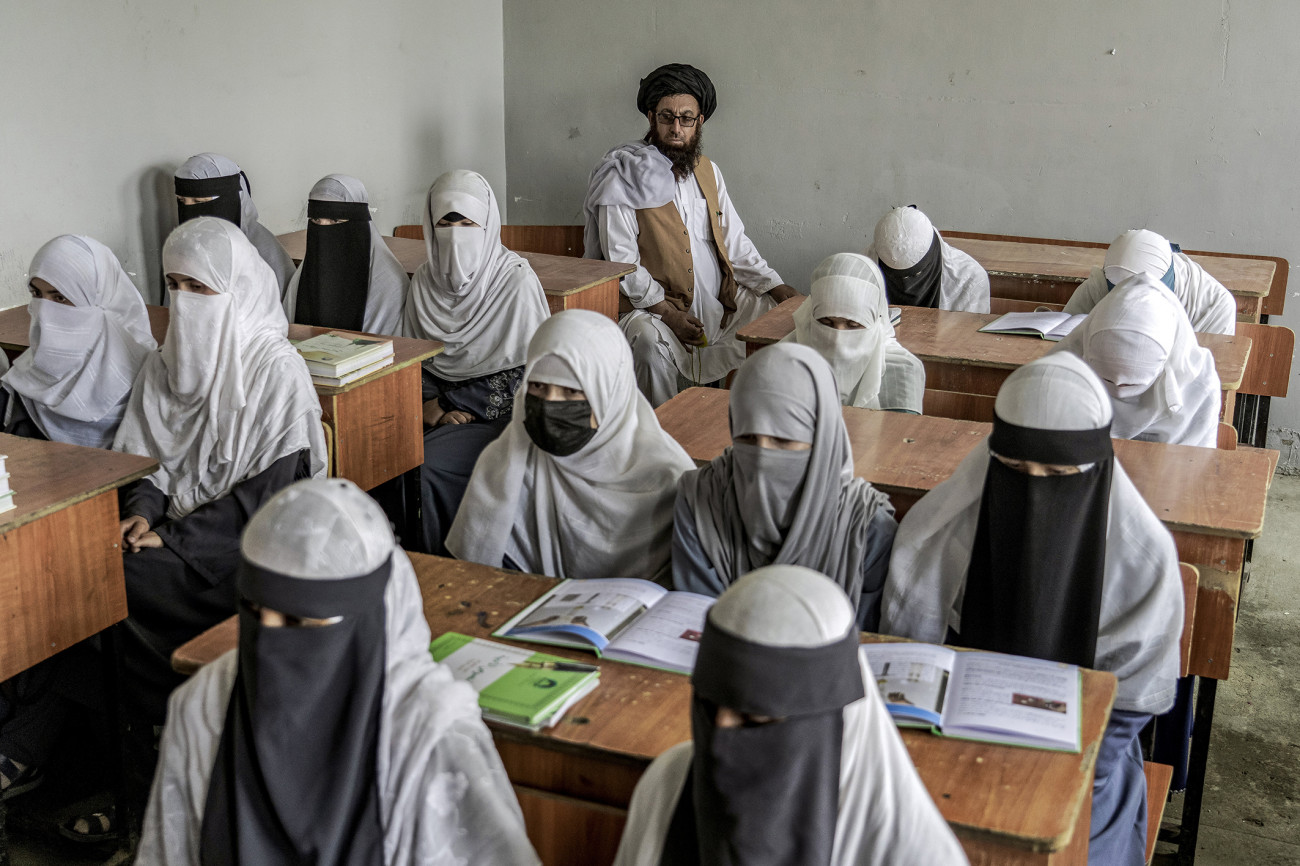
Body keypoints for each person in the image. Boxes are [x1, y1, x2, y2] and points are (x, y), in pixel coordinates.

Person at [0, 217, 327, 833]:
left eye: (200, 287)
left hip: (244, 553)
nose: (184, 301)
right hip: (171, 540)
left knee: (89, 590)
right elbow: (151, 460)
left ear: (238, 289)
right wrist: (142, 512)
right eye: (173, 285)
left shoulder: (274, 370)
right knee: (85, 584)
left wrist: (171, 538)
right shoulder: (166, 362)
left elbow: (272, 497)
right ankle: (130, 773)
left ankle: (141, 775)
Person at [135, 478, 540, 865]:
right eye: (256, 613)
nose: (271, 640)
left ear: (368, 618)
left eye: (302, 622)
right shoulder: (205, 703)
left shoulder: (426, 731)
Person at [881, 353, 1183, 865]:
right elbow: (911, 657)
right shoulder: (940, 529)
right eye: (1015, 469)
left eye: (1058, 473)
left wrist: (1058, 783)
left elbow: (1129, 707)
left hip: (1085, 753)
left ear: (1093, 467)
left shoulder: (1142, 557)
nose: (1034, 486)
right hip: (946, 732)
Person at [612, 564, 967, 865]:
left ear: (829, 719)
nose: (721, 728)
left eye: (754, 718)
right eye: (708, 702)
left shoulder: (917, 854)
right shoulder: (667, 784)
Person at [582, 62, 799, 407]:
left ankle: (744, 424)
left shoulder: (708, 171)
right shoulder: (621, 175)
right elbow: (622, 265)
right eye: (667, 117)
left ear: (700, 122)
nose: (676, 128)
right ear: (651, 118)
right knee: (648, 344)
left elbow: (734, 242)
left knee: (787, 321)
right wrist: (668, 314)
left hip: (719, 305)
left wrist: (778, 287)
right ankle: (667, 435)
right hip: (654, 310)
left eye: (686, 119)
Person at [447, 309, 693, 582]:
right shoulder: (505, 464)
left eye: (571, 391)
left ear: (610, 394)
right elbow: (478, 576)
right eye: (538, 387)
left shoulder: (668, 478)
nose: (550, 404)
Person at [673, 344, 897, 628]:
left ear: (821, 439)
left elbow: (866, 642)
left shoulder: (866, 527)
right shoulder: (701, 499)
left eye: (783, 441)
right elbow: (697, 620)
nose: (763, 458)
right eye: (748, 438)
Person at [403, 170, 550, 555]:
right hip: (433, 412)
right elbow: (415, 358)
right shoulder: (422, 283)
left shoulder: (514, 282)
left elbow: (529, 374)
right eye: (445, 223)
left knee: (427, 463)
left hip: (502, 414)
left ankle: (453, 564)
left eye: (468, 223)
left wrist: (452, 405)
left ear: (488, 226)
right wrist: (428, 407)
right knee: (384, 450)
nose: (456, 235)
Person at [1, 235, 156, 447]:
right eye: (36, 294)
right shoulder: (27, 376)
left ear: (98, 298)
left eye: (60, 298)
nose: (44, 312)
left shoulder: (145, 376)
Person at [1051, 274, 1221, 448]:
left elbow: (1196, 464)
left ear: (1165, 363)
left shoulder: (1199, 387)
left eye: (1132, 385)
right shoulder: (1057, 371)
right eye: (1106, 379)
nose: (1118, 390)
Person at [785, 252, 925, 412]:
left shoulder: (901, 371)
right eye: (825, 322)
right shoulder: (785, 362)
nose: (838, 338)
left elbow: (900, 435)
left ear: (875, 319)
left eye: (853, 325)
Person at [283, 173, 408, 335]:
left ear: (359, 224)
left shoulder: (388, 282)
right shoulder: (300, 279)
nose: (323, 229)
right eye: (315, 220)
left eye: (335, 221)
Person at [1062, 229, 1236, 335]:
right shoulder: (1098, 286)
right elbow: (1061, 340)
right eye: (1115, 292)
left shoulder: (1214, 306)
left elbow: (1207, 381)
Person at [174, 152, 296, 294]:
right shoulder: (184, 248)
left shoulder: (263, 255)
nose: (189, 211)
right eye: (182, 201)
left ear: (230, 201)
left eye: (199, 202)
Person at [867, 206, 989, 313]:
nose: (906, 283)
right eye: (895, 275)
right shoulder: (860, 270)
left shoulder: (969, 280)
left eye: (915, 274)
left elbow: (968, 335)